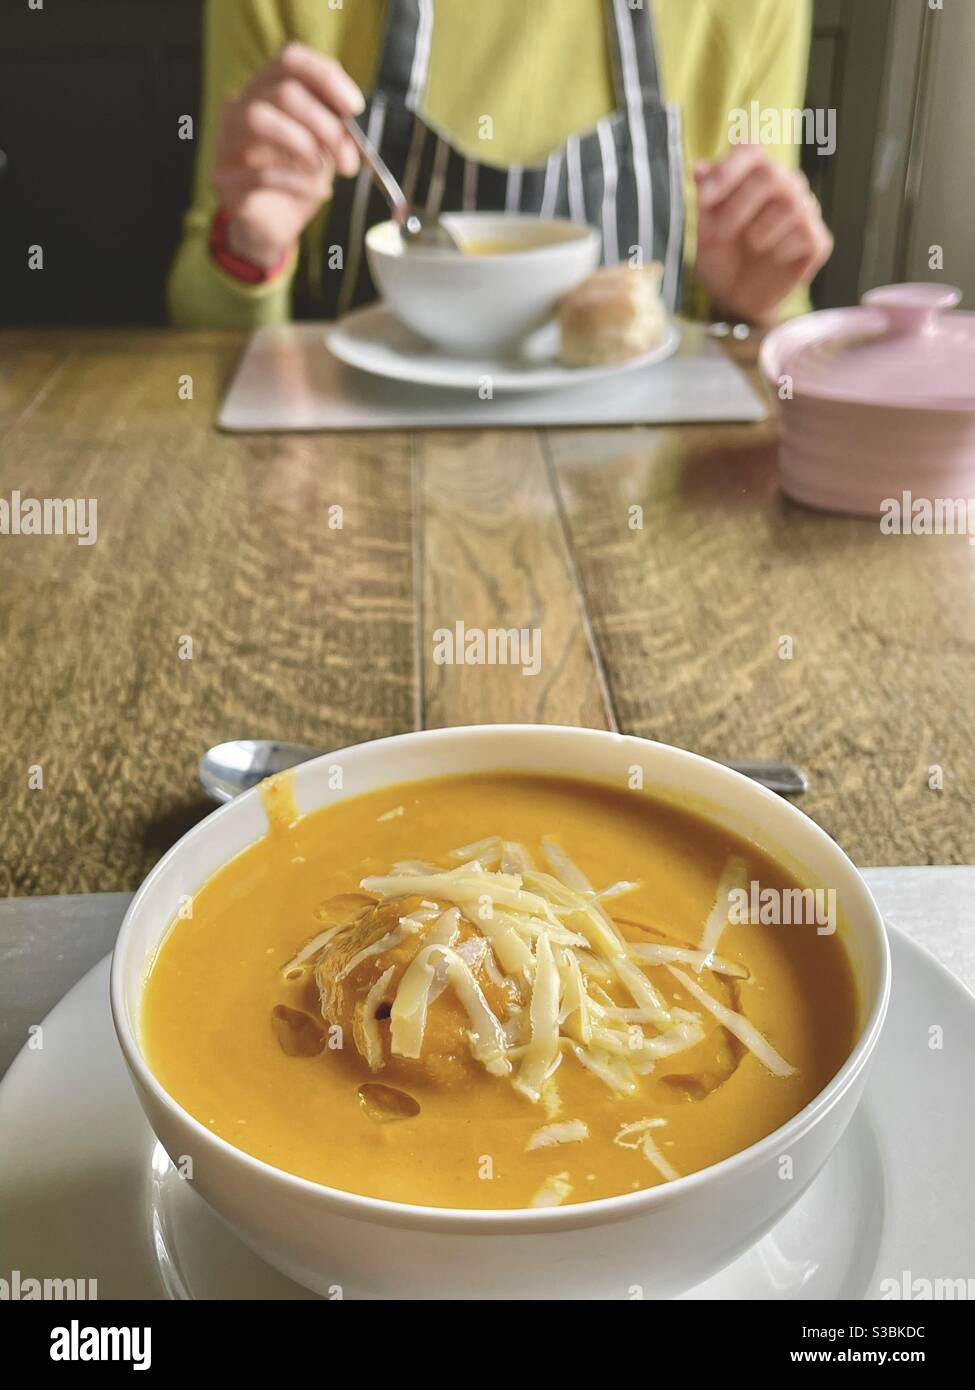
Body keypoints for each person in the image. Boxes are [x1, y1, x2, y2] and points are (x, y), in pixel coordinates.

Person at [169, 0, 832, 330]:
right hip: (340, 487)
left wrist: (753, 308)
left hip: (640, 486)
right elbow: (204, 322)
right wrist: (249, 248)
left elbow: (763, 320)